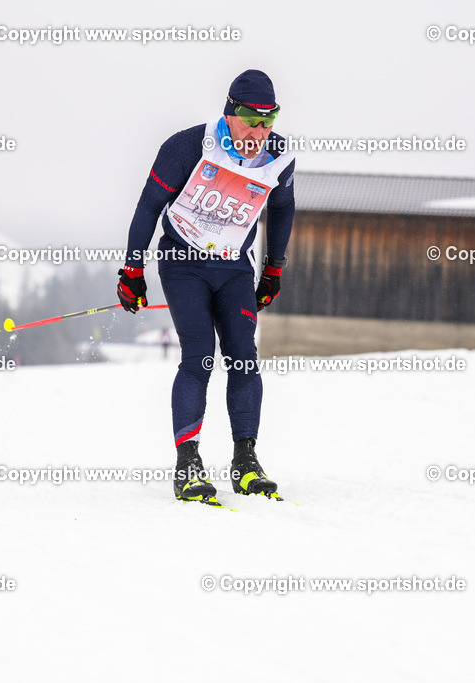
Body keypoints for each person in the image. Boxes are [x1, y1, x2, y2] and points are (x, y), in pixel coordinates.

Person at [117, 69, 295, 503]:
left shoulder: (277, 156)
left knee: (243, 357)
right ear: (230, 112)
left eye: (268, 120)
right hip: (184, 264)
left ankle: (245, 460)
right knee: (200, 355)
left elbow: (283, 208)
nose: (259, 130)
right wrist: (132, 270)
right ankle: (188, 465)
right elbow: (148, 206)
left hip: (234, 267)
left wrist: (273, 269)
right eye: (251, 118)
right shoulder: (186, 147)